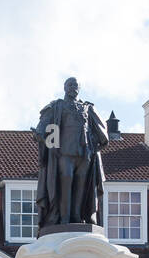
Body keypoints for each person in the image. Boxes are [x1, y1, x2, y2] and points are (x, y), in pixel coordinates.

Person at [33, 77, 109, 228]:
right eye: (70, 84)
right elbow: (42, 127)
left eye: (75, 85)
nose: (73, 87)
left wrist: (100, 143)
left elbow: (101, 131)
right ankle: (64, 217)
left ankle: (77, 216)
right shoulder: (56, 106)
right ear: (64, 87)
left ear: (79, 89)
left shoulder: (87, 108)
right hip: (64, 153)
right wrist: (39, 134)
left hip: (84, 153)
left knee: (81, 184)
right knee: (65, 180)